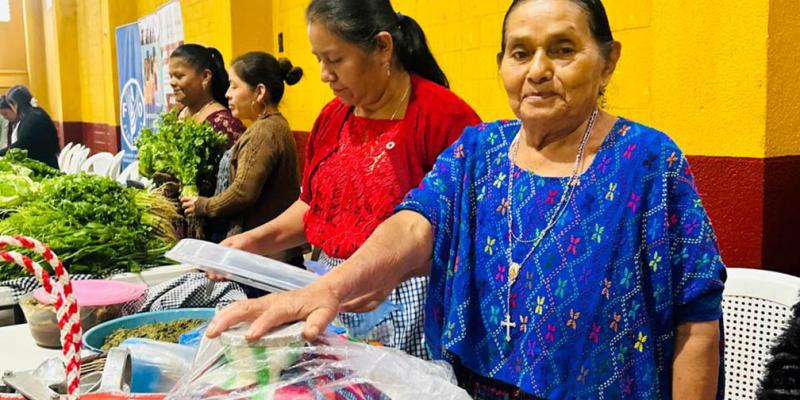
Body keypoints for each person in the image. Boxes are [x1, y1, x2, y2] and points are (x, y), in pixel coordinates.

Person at [207, 0, 727, 398]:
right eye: (520, 53)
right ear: (502, 64)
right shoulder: (480, 151)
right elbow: (414, 222)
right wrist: (334, 288)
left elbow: (695, 315)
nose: (538, 70)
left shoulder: (647, 161)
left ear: (607, 60)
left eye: (563, 50)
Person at [211, 0, 480, 359]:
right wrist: (254, 241)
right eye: (319, 58)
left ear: (383, 47)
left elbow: (465, 235)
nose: (324, 74)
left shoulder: (444, 119)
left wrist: (380, 273)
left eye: (335, 60)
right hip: (334, 291)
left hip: (418, 303)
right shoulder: (331, 118)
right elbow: (314, 207)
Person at [180, 52, 305, 268]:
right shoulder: (270, 126)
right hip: (266, 251)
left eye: (234, 86)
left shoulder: (264, 132)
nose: (227, 94)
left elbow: (242, 193)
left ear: (259, 92)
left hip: (264, 257)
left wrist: (203, 205)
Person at [168, 43, 245, 145]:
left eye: (179, 76)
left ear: (205, 76)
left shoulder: (223, 124)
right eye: (171, 76)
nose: (172, 82)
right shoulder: (179, 114)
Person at [0, 86, 59, 168]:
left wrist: (1, 153)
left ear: (15, 104)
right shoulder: (36, 114)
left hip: (44, 166)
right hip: (44, 163)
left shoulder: (32, 118)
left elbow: (21, 145)